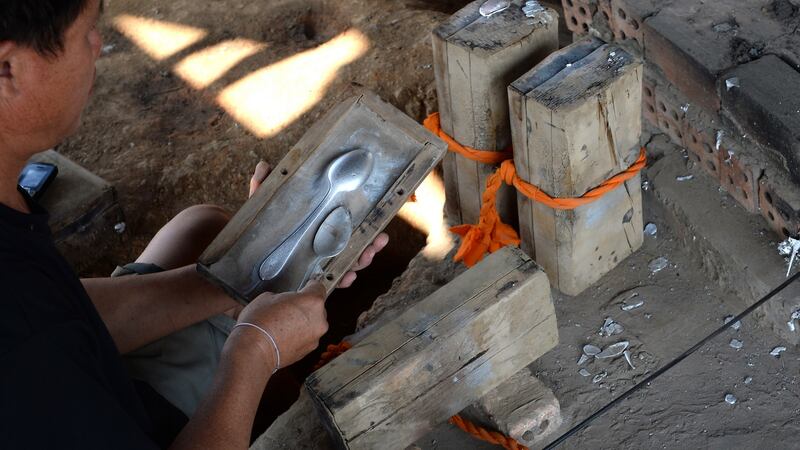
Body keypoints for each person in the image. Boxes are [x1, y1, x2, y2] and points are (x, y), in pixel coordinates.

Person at [0, 1, 388, 448]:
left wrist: (240, 274)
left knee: (202, 229)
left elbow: (61, 307)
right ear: (8, 68)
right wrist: (255, 351)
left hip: (89, 386)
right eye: (86, 32)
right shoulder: (22, 346)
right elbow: (39, 326)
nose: (98, 45)